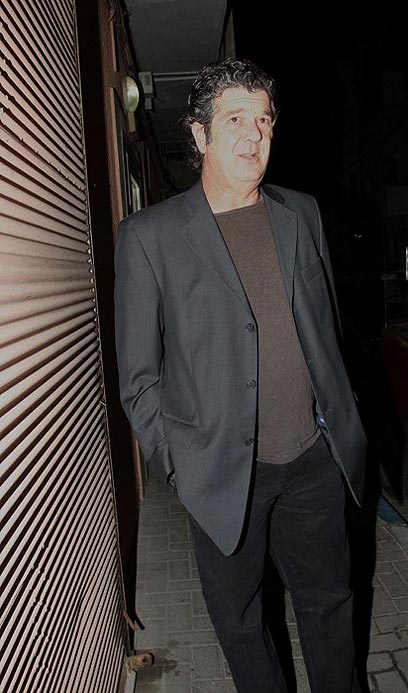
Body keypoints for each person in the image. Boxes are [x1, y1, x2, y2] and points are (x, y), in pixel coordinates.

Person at [114, 57, 367, 693]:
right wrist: (181, 465)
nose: (254, 134)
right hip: (221, 472)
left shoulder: (300, 214)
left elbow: (327, 331)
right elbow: (138, 378)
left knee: (330, 608)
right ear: (199, 134)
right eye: (235, 119)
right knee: (242, 623)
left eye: (264, 120)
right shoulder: (149, 238)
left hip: (312, 459)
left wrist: (339, 427)